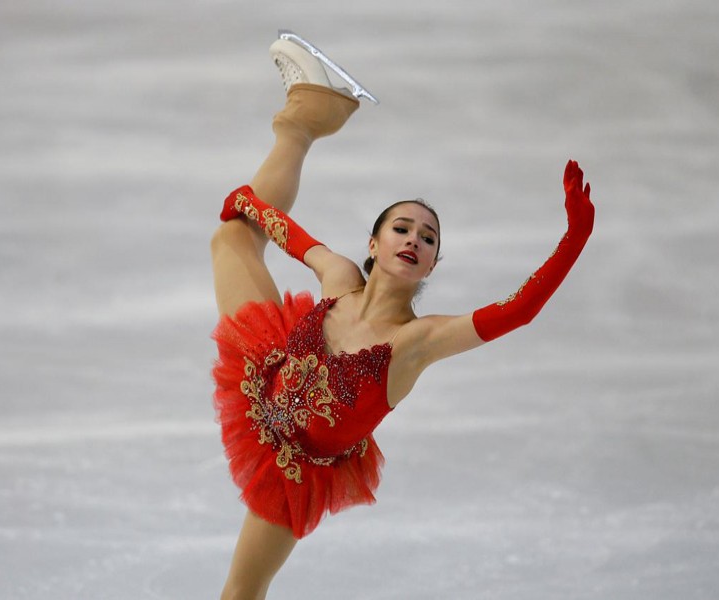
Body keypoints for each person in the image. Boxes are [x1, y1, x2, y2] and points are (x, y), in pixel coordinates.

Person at [210, 31, 595, 600]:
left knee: (241, 594)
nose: (414, 239)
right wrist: (244, 204)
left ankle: (312, 113)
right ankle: (305, 115)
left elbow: (519, 311)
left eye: (428, 237)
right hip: (261, 372)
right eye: (402, 228)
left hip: (294, 466)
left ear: (434, 261)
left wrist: (574, 237)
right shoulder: (340, 278)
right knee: (231, 239)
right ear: (374, 242)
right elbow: (283, 231)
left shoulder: (417, 341)